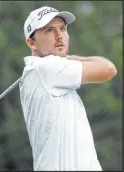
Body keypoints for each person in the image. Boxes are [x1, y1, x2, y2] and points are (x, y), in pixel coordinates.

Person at [19, 6, 117, 171]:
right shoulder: (45, 68)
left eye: (62, 29)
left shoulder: (43, 70)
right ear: (31, 43)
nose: (59, 36)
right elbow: (108, 69)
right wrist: (71, 58)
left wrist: (67, 59)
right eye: (49, 30)